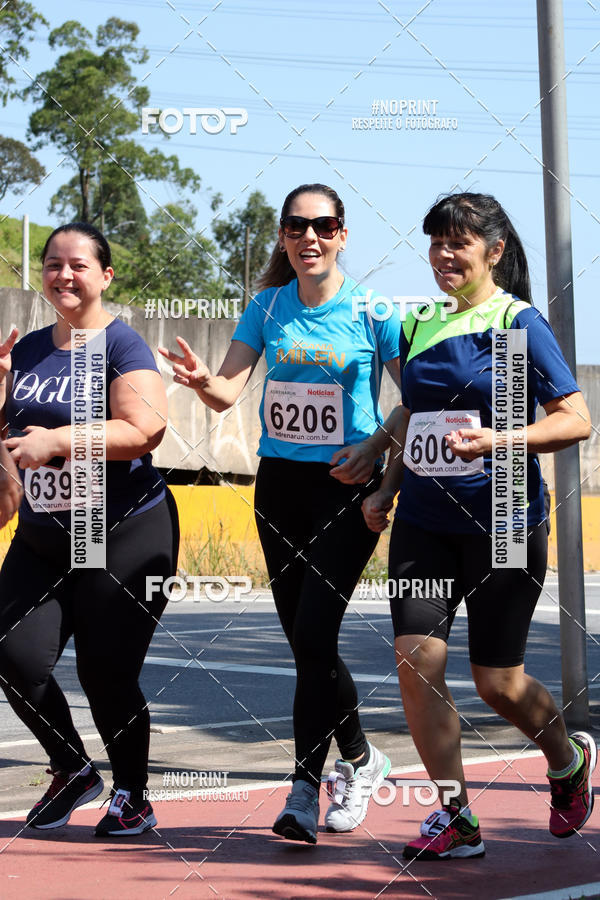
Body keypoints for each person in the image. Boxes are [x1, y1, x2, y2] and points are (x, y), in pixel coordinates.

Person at [159, 183, 403, 844]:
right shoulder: (266, 306)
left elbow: (417, 399)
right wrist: (199, 379)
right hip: (280, 489)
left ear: (343, 234)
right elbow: (226, 392)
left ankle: (304, 786)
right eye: (296, 227)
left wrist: (380, 463)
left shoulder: (374, 309)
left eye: (322, 226)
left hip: (346, 487)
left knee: (316, 634)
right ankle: (361, 756)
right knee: (305, 641)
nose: (309, 238)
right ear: (283, 237)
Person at [363, 192, 595, 860]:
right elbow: (414, 416)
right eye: (436, 243)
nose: (443, 255)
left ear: (494, 251)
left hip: (503, 519)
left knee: (497, 682)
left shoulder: (518, 324)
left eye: (458, 243)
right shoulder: (421, 323)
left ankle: (565, 760)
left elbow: (575, 417)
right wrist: (385, 485)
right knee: (417, 661)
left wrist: (500, 441)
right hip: (426, 520)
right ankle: (455, 816)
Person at [0, 223, 179, 836]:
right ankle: (72, 767)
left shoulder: (124, 346)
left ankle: (133, 791)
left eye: (78, 265)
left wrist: (60, 441)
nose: (63, 275)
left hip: (124, 529)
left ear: (105, 276)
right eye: (52, 264)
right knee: (11, 653)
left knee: (105, 670)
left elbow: (146, 429)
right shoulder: (25, 351)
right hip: (44, 532)